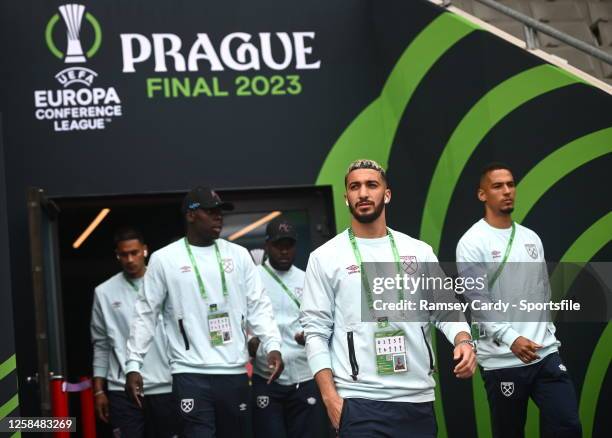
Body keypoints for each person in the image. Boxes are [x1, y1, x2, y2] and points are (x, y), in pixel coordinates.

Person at [300, 159, 476, 438]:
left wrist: (464, 340)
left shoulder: (418, 251)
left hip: (416, 398)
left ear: (387, 194)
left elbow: (446, 309)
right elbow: (315, 332)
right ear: (346, 197)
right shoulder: (325, 257)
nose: (363, 193)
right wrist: (330, 398)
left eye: (372, 185)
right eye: (355, 187)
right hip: (359, 401)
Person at [125, 186, 284, 438]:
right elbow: (146, 313)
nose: (218, 217)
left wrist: (273, 345)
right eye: (210, 212)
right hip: (189, 373)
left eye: (220, 211)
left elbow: (258, 305)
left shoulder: (239, 255)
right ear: (190, 215)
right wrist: (134, 364)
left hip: (234, 372)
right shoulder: (165, 259)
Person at [456, 162, 581, 438]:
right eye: (498, 186)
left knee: (568, 427)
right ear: (482, 194)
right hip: (503, 361)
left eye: (511, 184)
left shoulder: (531, 238)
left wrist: (548, 335)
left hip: (544, 353)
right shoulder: (472, 241)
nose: (507, 191)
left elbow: (541, 291)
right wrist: (511, 338)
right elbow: (478, 300)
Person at [90, 227, 180, 437]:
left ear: (145, 251)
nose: (130, 259)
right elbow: (101, 344)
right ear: (117, 256)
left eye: (134, 252)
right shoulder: (104, 292)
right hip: (122, 389)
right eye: (124, 254)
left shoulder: (168, 284)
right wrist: (99, 390)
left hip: (165, 385)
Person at [249, 217, 321, 438]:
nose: (284, 251)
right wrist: (249, 341)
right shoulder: (254, 279)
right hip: (266, 375)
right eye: (278, 245)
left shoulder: (307, 278)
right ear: (267, 246)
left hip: (303, 374)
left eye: (288, 245)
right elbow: (241, 319)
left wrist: (308, 336)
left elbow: (320, 321)